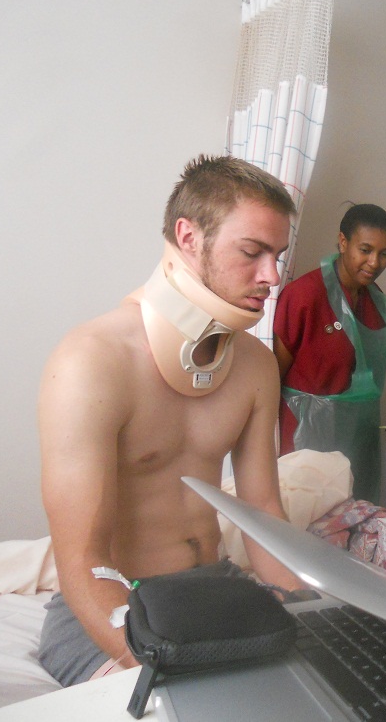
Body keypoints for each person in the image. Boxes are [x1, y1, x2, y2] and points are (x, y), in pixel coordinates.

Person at [37, 155, 303, 686]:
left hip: (214, 587)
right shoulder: (91, 360)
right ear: (187, 237)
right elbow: (82, 564)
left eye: (277, 256)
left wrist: (311, 615)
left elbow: (262, 511)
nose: (272, 277)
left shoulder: (255, 365)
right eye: (252, 252)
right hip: (115, 603)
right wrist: (165, 666)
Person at [273, 204, 386, 504]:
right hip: (304, 442)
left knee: (354, 520)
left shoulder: (375, 300)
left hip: (358, 441)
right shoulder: (305, 296)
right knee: (305, 519)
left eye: (384, 253)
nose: (374, 262)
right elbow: (270, 378)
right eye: (365, 250)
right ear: (343, 242)